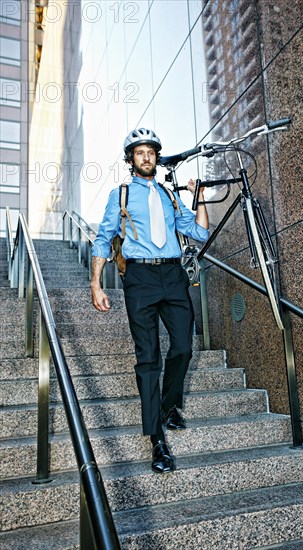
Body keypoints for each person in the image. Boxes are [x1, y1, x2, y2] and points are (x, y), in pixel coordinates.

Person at [90, 128, 209, 474]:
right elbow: (103, 238)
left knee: (184, 347)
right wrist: (96, 283)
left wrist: (196, 196)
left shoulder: (171, 197)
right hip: (139, 278)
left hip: (173, 276)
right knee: (148, 358)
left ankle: (171, 405)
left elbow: (198, 232)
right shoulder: (122, 194)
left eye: (151, 152)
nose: (146, 157)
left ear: (157, 158)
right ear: (131, 160)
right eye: (139, 152)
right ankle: (157, 438)